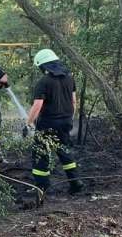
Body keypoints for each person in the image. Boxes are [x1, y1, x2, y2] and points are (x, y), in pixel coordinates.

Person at [26, 48, 84, 198]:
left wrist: (28, 123)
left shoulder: (43, 82)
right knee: (64, 150)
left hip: (47, 123)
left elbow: (37, 105)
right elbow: (73, 101)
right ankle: (75, 182)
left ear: (43, 65)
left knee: (41, 154)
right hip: (65, 121)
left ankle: (41, 187)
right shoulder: (70, 78)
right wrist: (69, 118)